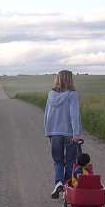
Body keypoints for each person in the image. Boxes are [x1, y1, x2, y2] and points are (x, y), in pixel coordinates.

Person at [44, 70, 83, 198]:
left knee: (58, 161)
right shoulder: (72, 95)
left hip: (54, 133)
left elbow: (47, 114)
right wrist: (76, 133)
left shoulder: (51, 94)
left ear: (58, 79)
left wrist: (48, 131)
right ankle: (68, 188)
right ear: (70, 80)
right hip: (69, 134)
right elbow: (74, 115)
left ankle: (59, 183)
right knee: (70, 161)